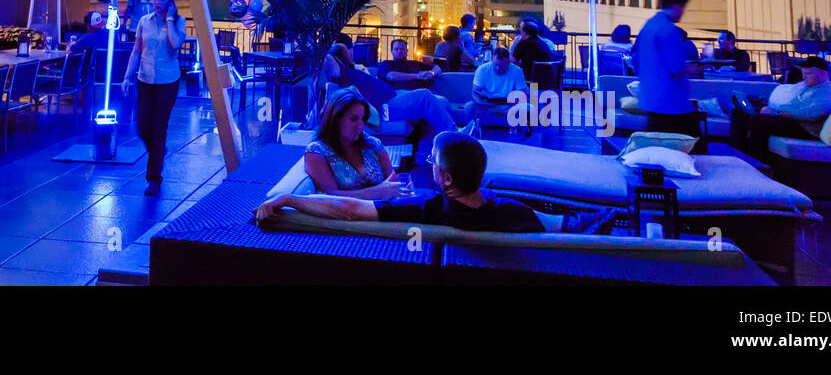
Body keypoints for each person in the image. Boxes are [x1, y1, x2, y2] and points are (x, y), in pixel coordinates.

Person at [256, 130, 616, 234]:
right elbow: (569, 224)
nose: (427, 165)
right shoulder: (512, 210)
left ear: (444, 177)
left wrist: (289, 199)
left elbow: (350, 209)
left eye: (431, 162)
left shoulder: (425, 207)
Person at [319, 42, 457, 155]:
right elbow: (328, 61)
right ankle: (454, 136)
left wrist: (430, 73)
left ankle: (430, 151)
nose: (351, 52)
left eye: (349, 49)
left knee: (440, 102)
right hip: (385, 106)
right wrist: (329, 49)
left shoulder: (353, 69)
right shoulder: (342, 73)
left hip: (394, 95)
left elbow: (439, 66)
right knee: (424, 96)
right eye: (347, 50)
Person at [122, 0, 186, 195]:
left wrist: (169, 19)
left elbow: (176, 44)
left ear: (170, 1)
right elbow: (136, 51)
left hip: (168, 81)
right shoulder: (143, 21)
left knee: (158, 128)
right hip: (145, 79)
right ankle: (158, 151)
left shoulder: (179, 22)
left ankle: (154, 178)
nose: (157, 2)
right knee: (142, 127)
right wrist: (127, 76)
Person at [729, 56, 831, 160]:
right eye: (803, 73)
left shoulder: (829, 91)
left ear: (822, 74)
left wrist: (776, 113)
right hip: (790, 119)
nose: (804, 77)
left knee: (759, 121)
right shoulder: (807, 86)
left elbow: (812, 114)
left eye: (808, 74)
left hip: (805, 128)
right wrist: (765, 105)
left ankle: (758, 164)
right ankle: (738, 158)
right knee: (740, 113)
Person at [303, 88, 403, 199]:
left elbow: (393, 181)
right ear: (335, 119)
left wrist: (402, 189)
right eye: (353, 119)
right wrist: (376, 192)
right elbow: (332, 196)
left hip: (383, 210)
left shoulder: (372, 144)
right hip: (345, 214)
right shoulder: (317, 151)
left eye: (362, 119)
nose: (360, 126)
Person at [634, 0, 701, 135]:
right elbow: (676, 68)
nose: (683, 12)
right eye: (683, 8)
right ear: (677, 6)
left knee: (655, 139)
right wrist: (692, 68)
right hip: (671, 100)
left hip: (650, 95)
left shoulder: (649, 25)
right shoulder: (670, 30)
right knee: (689, 141)